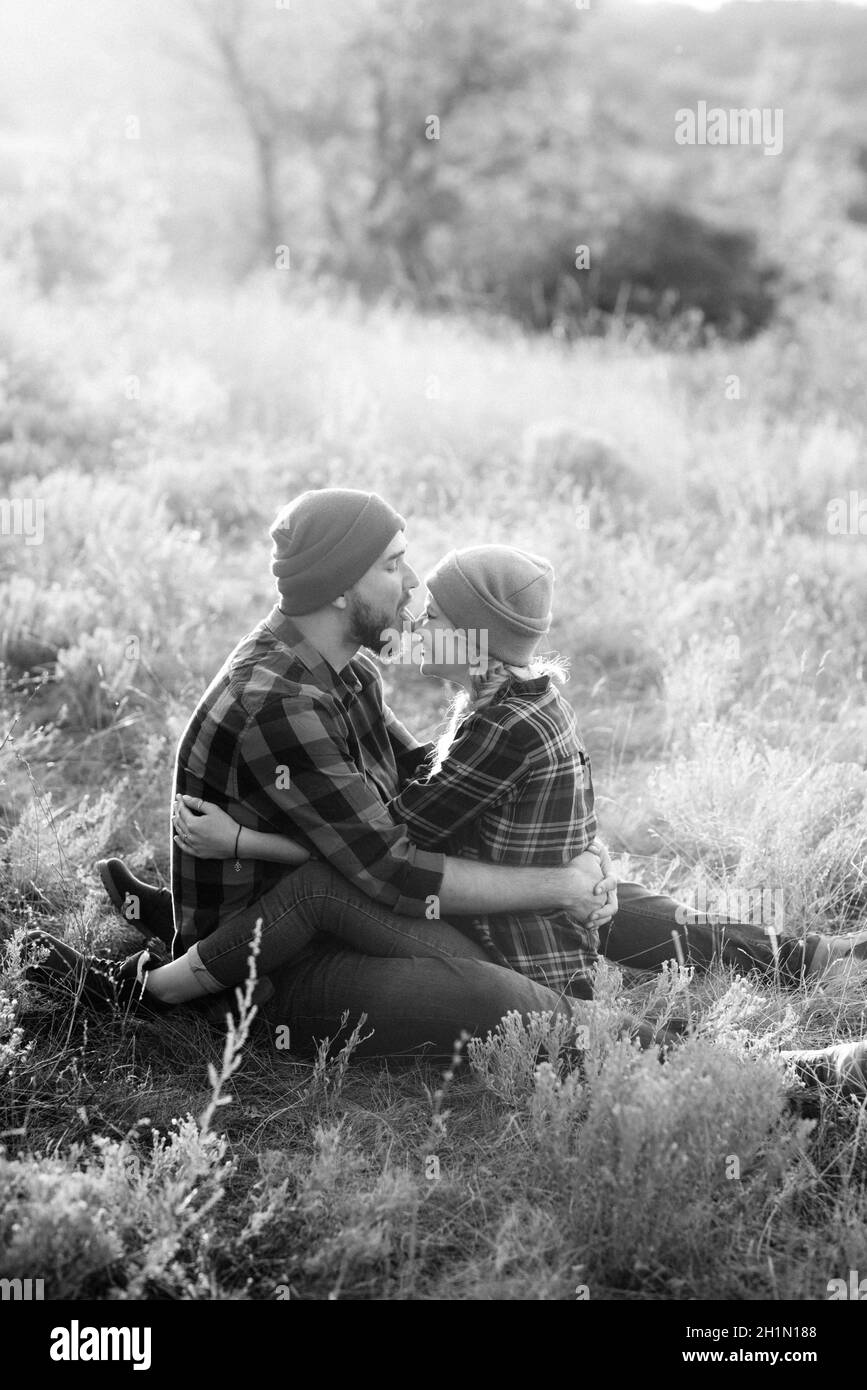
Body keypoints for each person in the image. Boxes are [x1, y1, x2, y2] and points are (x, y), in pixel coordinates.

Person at [21, 489, 867, 1073]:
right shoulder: (278, 700)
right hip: (282, 962)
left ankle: (804, 958)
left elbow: (413, 784)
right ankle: (787, 1077)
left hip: (346, 908)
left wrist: (572, 856)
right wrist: (556, 879)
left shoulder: (341, 667)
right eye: (394, 566)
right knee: (511, 1004)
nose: (413, 587)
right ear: (340, 583)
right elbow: (394, 865)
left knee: (599, 894)